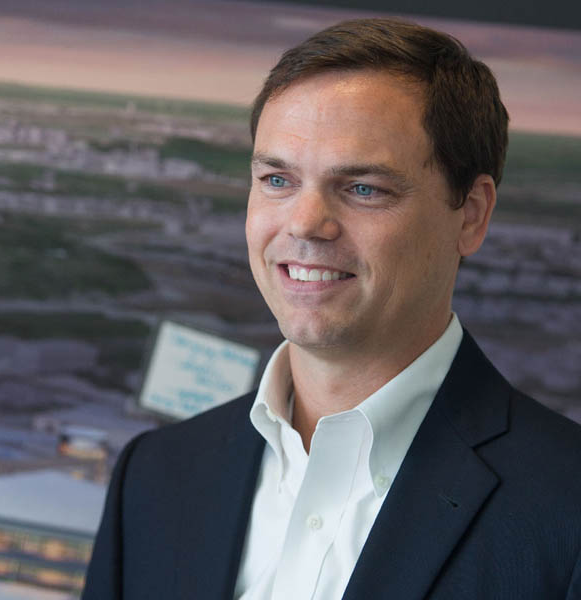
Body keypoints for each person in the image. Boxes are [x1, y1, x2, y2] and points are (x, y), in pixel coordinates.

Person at [82, 18, 581, 600]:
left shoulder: (565, 507)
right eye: (277, 179)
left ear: (470, 214)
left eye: (363, 188)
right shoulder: (154, 477)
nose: (304, 224)